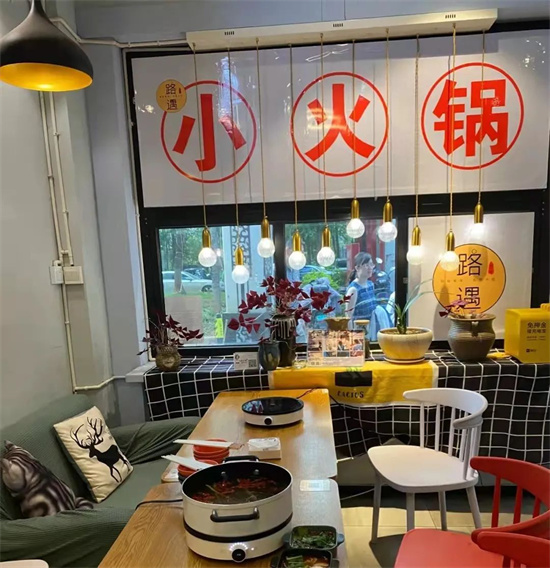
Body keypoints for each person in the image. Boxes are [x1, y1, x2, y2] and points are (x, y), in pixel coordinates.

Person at [346, 252, 378, 326]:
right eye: (366, 265)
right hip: (359, 329)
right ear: (357, 268)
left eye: (371, 264)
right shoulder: (353, 289)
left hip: (372, 328)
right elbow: (348, 317)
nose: (370, 268)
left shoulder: (371, 285)